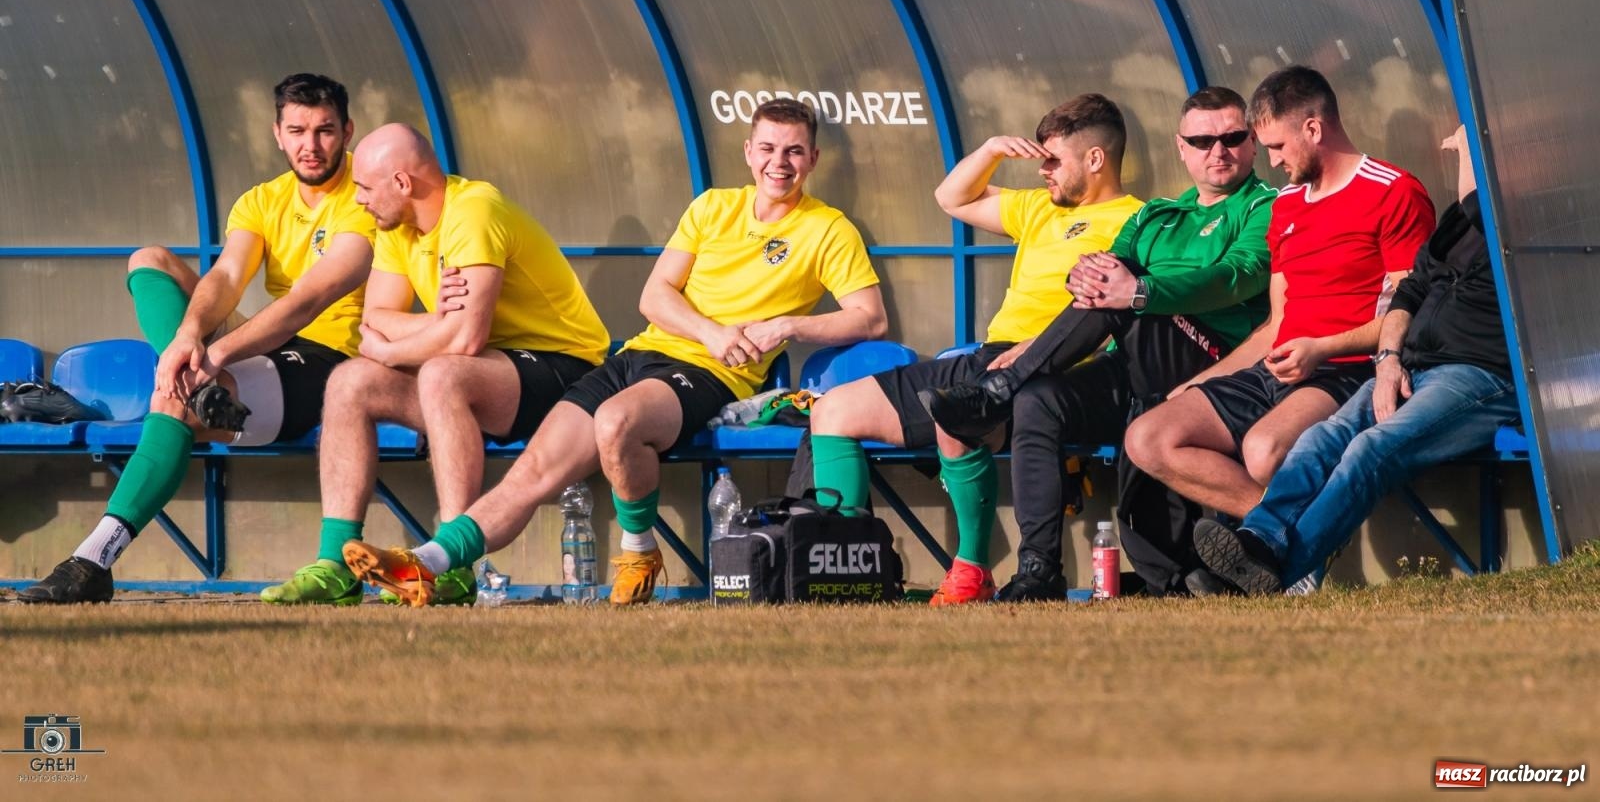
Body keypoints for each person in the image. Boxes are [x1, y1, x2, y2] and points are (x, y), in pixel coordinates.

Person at [342, 99, 887, 607]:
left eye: (794, 150)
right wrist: (711, 329)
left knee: (616, 422)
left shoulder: (827, 229)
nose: (779, 162)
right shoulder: (714, 207)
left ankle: (637, 547)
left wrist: (785, 325)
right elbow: (654, 296)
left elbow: (870, 317)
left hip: (713, 373)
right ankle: (426, 564)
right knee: (535, 470)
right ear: (748, 152)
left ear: (812, 158)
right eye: (767, 148)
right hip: (643, 355)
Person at [20, 74, 376, 604]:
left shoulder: (366, 198)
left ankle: (93, 559)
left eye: (325, 131)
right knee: (149, 260)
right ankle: (199, 386)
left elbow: (307, 301)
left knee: (173, 400)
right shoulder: (262, 200)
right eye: (297, 130)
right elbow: (227, 279)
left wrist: (216, 355)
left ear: (347, 131)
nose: (311, 144)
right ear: (277, 133)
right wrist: (188, 338)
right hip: (265, 348)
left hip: (328, 357)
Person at [923, 86, 1276, 599]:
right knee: (1039, 399)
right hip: (1133, 359)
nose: (1217, 150)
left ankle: (996, 389)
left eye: (1231, 137)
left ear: (1252, 144)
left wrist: (1141, 291)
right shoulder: (1157, 214)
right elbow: (1101, 278)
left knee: (1125, 281)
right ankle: (1039, 569)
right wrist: (1084, 284)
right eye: (1202, 140)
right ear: (1181, 147)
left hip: (1211, 362)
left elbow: (1237, 277)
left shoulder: (1266, 207)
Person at [801, 93, 1143, 605]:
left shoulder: (1139, 222)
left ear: (1095, 160)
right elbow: (952, 198)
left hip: (1058, 369)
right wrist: (990, 150)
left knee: (956, 417)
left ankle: (972, 569)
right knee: (832, 410)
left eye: (1054, 160)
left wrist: (1039, 349)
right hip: (988, 357)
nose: (1043, 171)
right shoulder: (1038, 208)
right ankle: (846, 569)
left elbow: (1125, 319)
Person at [261, 124, 609, 606]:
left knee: (443, 373)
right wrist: (434, 321)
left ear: (402, 183)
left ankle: (451, 567)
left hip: (564, 369)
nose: (357, 199)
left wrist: (396, 350)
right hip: (484, 371)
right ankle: (334, 567)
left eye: (364, 187)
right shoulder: (395, 225)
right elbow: (376, 319)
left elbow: (465, 338)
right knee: (350, 380)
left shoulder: (474, 211)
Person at [1189, 124, 1520, 595]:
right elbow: (1410, 291)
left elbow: (1485, 212)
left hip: (1479, 377)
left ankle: (1275, 574)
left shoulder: (1530, 217)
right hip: (1411, 367)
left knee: (1371, 449)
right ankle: (1256, 544)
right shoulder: (1456, 223)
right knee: (1320, 440)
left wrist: (1470, 149)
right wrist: (1387, 359)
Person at [1120, 66, 1436, 545]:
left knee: (1264, 451)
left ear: (1313, 128)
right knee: (1147, 437)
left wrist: (1320, 349)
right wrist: (1202, 381)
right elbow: (1276, 325)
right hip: (1279, 364)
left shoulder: (1393, 191)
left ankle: (1274, 547)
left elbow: (1406, 313)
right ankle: (1285, 539)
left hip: (1348, 369)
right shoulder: (1287, 205)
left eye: (1276, 146)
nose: (1269, 161)